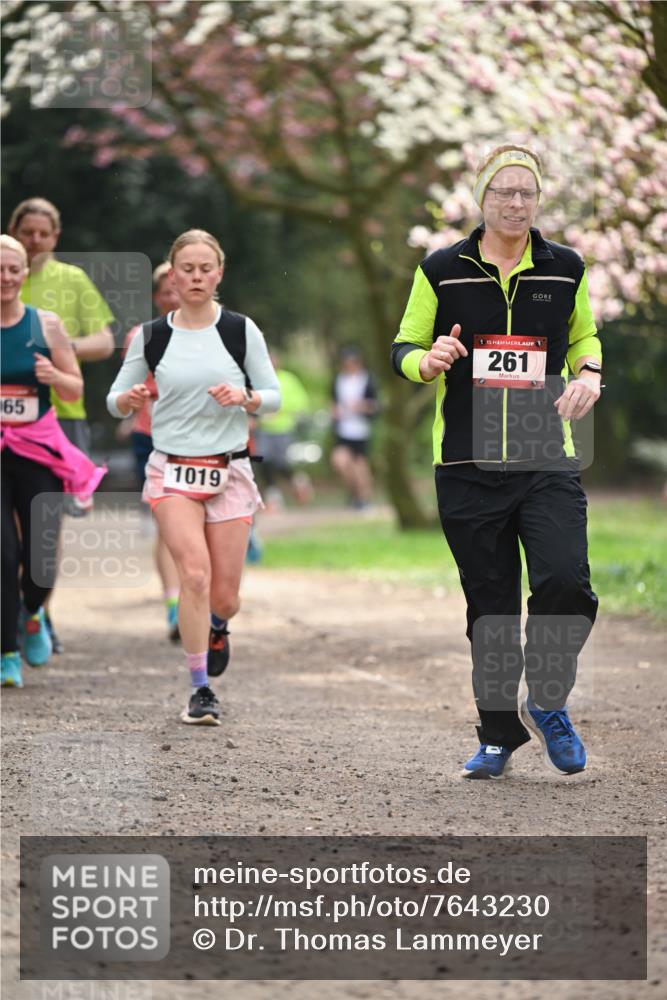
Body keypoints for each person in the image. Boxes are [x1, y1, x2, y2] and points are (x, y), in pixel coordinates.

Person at [392, 144, 602, 779]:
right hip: (466, 462)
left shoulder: (565, 267)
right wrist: (425, 362)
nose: (515, 203)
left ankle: (547, 697)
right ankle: (497, 734)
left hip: (546, 458)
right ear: (481, 200)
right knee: (491, 607)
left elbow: (584, 334)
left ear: (537, 201)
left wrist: (588, 370)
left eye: (526, 193)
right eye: (503, 192)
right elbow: (406, 342)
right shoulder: (441, 269)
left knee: (565, 582)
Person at [106, 229, 281, 725]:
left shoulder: (240, 331)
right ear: (173, 275)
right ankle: (200, 688)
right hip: (171, 469)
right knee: (195, 576)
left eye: (206, 268)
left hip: (229, 467)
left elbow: (273, 394)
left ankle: (219, 624)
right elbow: (115, 395)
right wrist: (129, 399)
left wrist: (246, 398)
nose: (197, 276)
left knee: (225, 595)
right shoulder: (151, 336)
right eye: (188, 268)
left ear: (219, 273)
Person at [9, 197, 114, 652]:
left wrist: (59, 347)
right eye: (27, 232)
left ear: (56, 237)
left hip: (59, 418)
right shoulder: (5, 269)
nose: (35, 240)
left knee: (44, 524)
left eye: (43, 233)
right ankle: (16, 618)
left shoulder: (71, 281)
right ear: (14, 233)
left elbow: (106, 341)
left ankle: (37, 608)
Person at [120, 262, 181, 641]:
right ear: (157, 297)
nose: (174, 295)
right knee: (168, 521)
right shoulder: (141, 336)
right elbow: (127, 388)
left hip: (200, 441)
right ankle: (174, 601)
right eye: (167, 290)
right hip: (153, 437)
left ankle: (194, 598)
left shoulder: (219, 331)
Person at [255, 350, 313, 510]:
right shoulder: (258, 380)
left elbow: (301, 403)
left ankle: (299, 481)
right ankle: (274, 497)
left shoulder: (288, 379)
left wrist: (280, 410)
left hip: (284, 429)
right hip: (265, 430)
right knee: (265, 461)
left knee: (282, 463)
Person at [330, 347, 378, 510]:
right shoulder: (339, 380)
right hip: (343, 429)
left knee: (359, 464)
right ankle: (354, 493)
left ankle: (363, 498)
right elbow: (334, 402)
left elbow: (375, 405)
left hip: (361, 429)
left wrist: (360, 407)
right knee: (340, 461)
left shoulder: (367, 379)